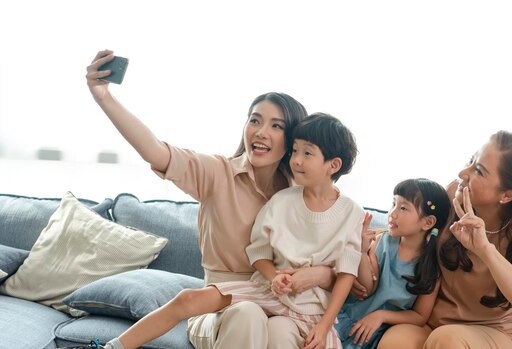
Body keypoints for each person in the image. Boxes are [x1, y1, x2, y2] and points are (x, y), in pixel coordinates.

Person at [85, 50, 335, 349]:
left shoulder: (303, 193)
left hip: (283, 309)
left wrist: (322, 273)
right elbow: (156, 151)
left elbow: (339, 261)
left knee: (279, 328)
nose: (261, 132)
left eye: (276, 126)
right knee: (248, 314)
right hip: (220, 309)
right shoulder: (218, 173)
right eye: (255, 121)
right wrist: (104, 98)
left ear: (293, 139)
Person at [100, 113, 364, 349]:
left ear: (333, 165)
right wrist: (273, 277)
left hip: (309, 310)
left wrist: (324, 324)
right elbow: (259, 251)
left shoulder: (351, 212)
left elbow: (346, 274)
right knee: (188, 299)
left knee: (280, 332)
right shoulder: (282, 199)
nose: (296, 160)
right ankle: (111, 346)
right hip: (268, 291)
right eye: (295, 151)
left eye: (307, 153)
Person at [377, 131, 512, 349]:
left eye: (478, 170)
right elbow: (412, 225)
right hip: (433, 327)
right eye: (471, 160)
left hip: (493, 335)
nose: (462, 172)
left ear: (507, 195)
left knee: (448, 340)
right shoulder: (452, 197)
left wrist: (485, 250)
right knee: (397, 340)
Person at [335, 178, 451, 349]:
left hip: (373, 334)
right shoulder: (383, 241)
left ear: (427, 222)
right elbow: (368, 288)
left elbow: (419, 315)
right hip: (348, 315)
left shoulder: (431, 267)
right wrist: (362, 253)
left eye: (403, 208)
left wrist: (381, 315)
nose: (392, 213)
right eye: (393, 204)